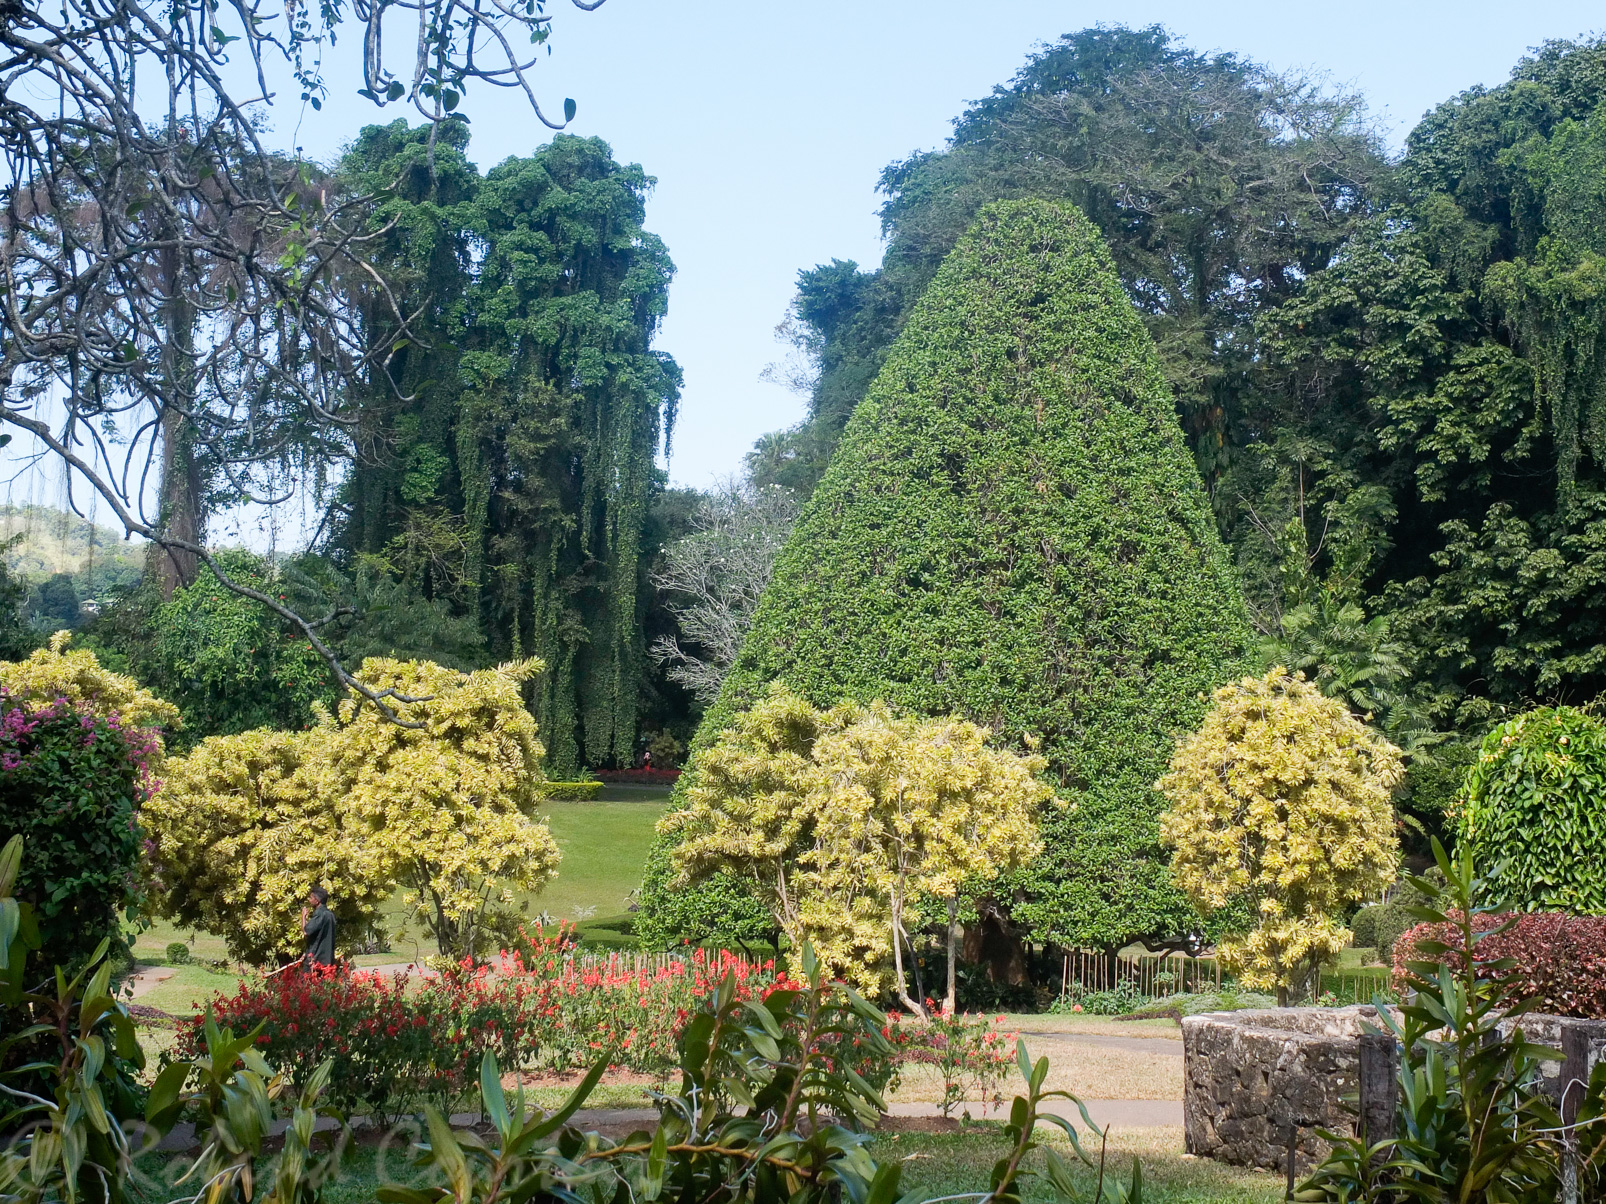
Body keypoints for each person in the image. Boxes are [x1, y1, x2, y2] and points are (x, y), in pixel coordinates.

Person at [301, 885, 337, 968]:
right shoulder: (330, 914)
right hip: (327, 959)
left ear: (317, 901)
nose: (309, 901)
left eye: (311, 898)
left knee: (307, 980)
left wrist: (303, 917)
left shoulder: (319, 914)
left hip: (315, 959)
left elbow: (306, 931)